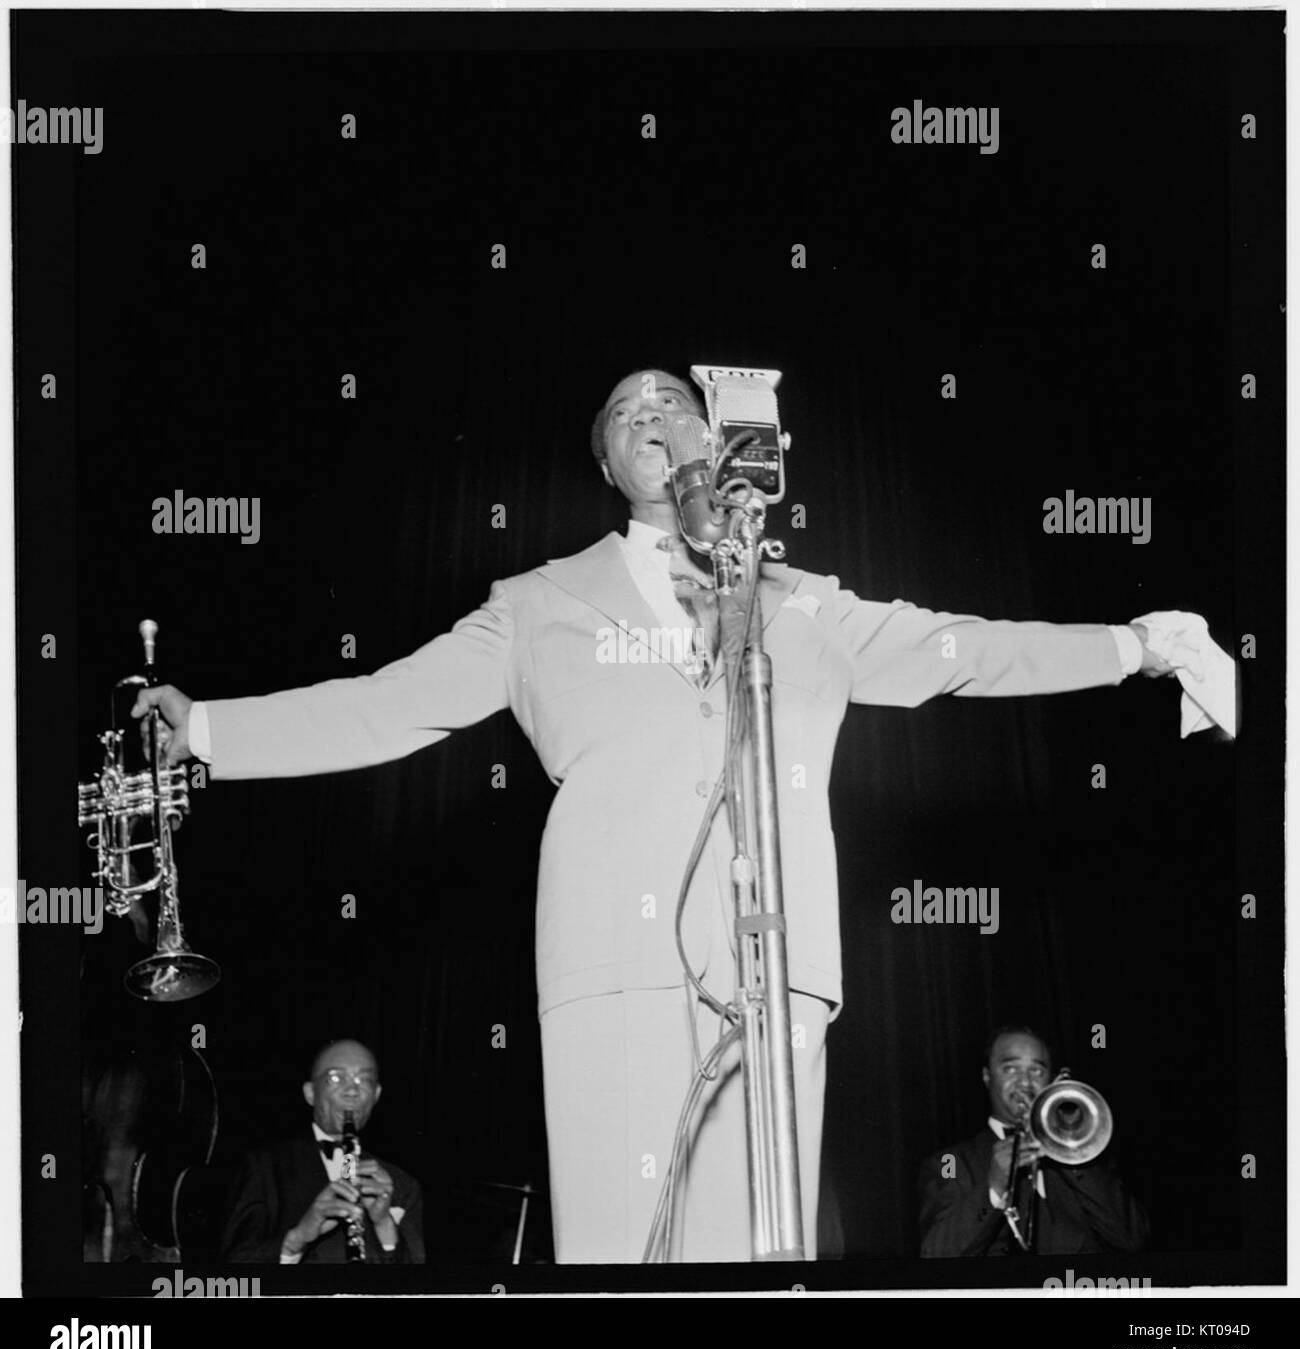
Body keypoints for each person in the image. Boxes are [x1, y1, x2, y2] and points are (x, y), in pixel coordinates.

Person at [136, 367, 1203, 1263]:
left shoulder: (802, 600)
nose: (652, 415)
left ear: (717, 438)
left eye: (672, 403)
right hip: (610, 962)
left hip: (775, 968)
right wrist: (212, 729)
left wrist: (1136, 644)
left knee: (759, 1252)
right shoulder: (538, 604)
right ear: (605, 464)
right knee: (617, 1251)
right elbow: (383, 705)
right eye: (625, 414)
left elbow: (960, 651)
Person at [917, 1025, 1149, 1257]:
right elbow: (935, 1253)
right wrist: (995, 1188)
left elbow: (1133, 1239)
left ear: (1050, 1080)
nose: (1025, 1082)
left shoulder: (1087, 1157)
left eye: (1036, 1071)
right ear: (987, 1076)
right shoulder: (950, 1162)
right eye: (1011, 1069)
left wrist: (1071, 1152)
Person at [221, 1038, 424, 1263]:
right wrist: (296, 1240)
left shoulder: (403, 1186)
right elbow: (234, 1271)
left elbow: (418, 1288)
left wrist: (384, 1223)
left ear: (375, 1095)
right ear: (310, 1093)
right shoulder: (263, 1168)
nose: (352, 1091)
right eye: (335, 1078)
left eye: (364, 1080)